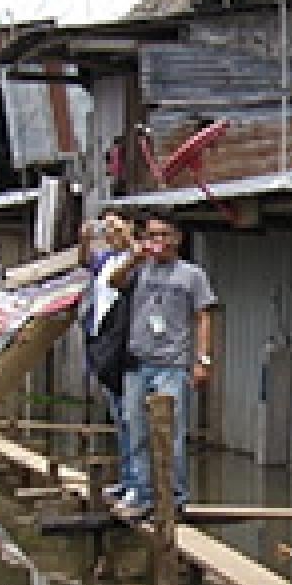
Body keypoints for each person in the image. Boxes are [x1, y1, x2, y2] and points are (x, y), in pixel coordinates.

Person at [109, 211, 216, 515]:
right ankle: (142, 494)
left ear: (177, 238)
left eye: (164, 235)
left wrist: (202, 360)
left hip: (173, 363)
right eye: (152, 235)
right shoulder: (138, 269)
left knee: (172, 433)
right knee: (136, 429)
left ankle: (175, 498)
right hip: (137, 361)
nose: (158, 242)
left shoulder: (192, 275)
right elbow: (114, 281)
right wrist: (134, 257)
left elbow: (203, 316)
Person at [78, 208, 137, 504]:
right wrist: (85, 236)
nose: (110, 234)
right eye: (108, 229)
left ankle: (138, 484)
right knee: (120, 418)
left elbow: (134, 253)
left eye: (115, 228)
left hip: (125, 344)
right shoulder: (105, 261)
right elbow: (85, 261)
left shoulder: (135, 261)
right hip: (103, 341)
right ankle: (127, 481)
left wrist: (124, 232)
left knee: (132, 417)